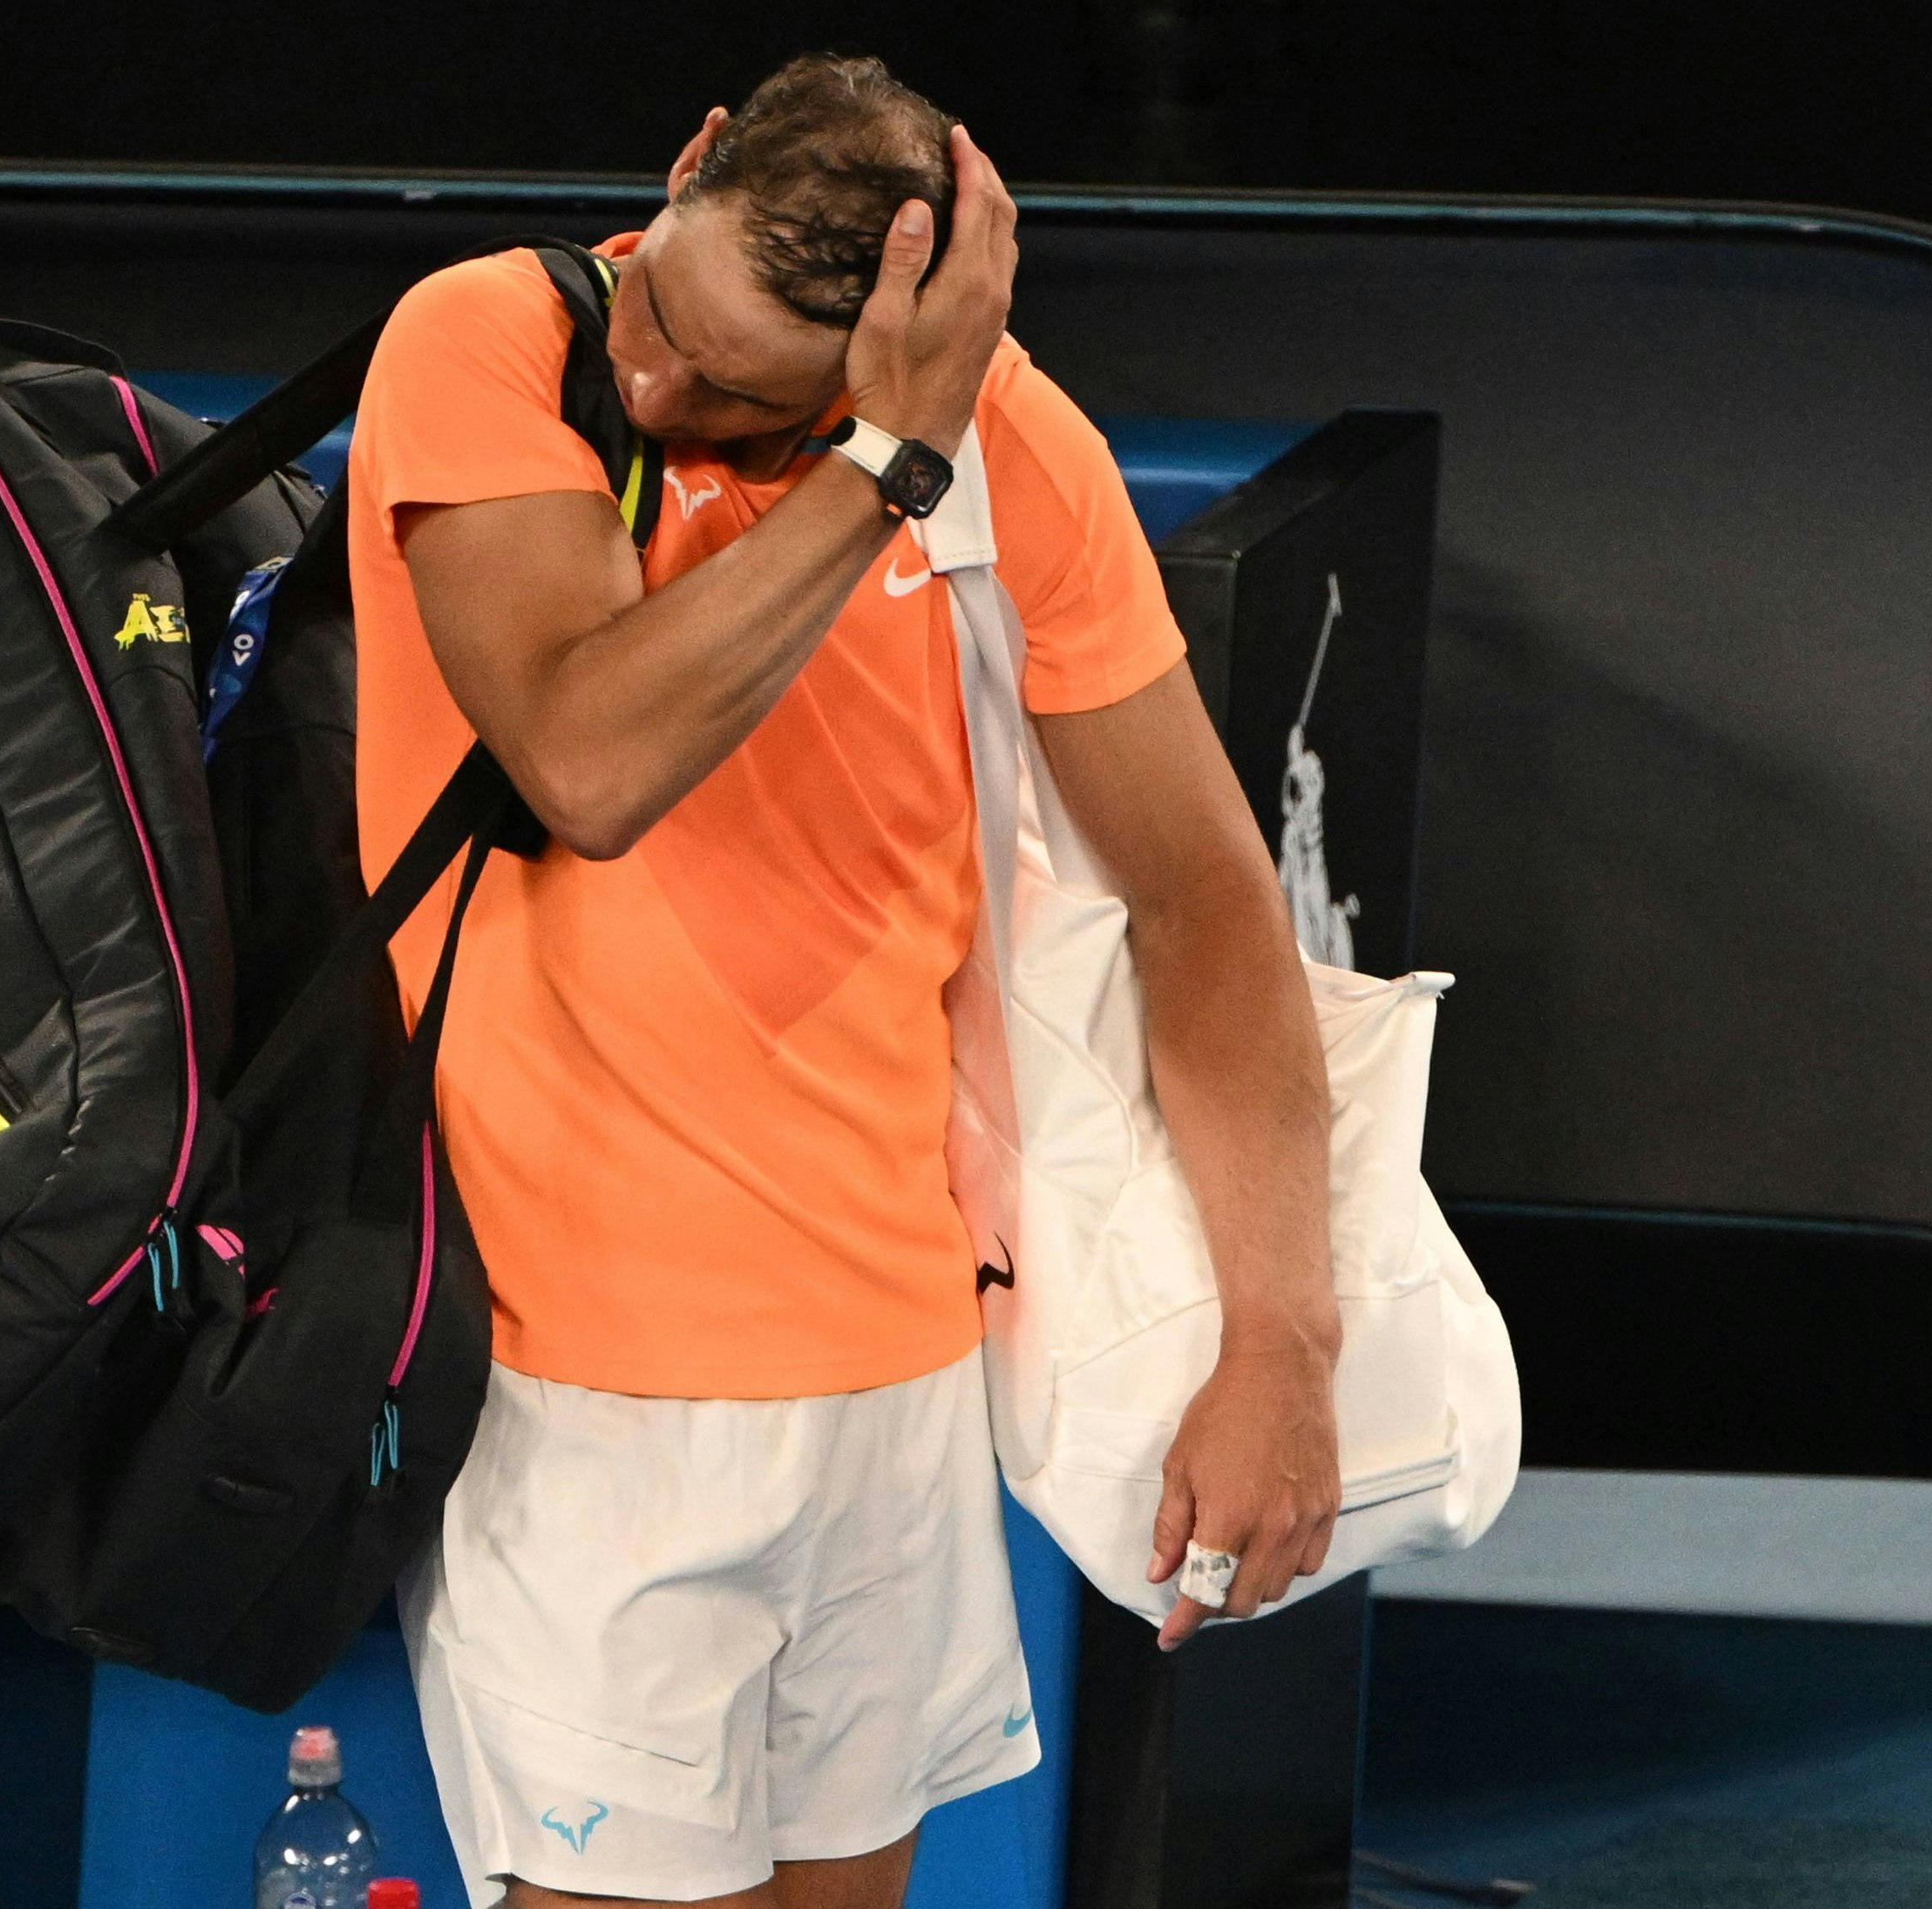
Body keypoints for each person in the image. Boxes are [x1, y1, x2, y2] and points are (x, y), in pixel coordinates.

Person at [350, 54, 1341, 1909]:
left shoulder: (1012, 452)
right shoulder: (482, 340)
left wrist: (1280, 1340)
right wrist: (880, 467)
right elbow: (586, 764)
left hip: (894, 1388)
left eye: (738, 390)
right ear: (681, 163)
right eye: (660, 300)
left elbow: (1207, 899)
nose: (657, 383)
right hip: (575, 1395)